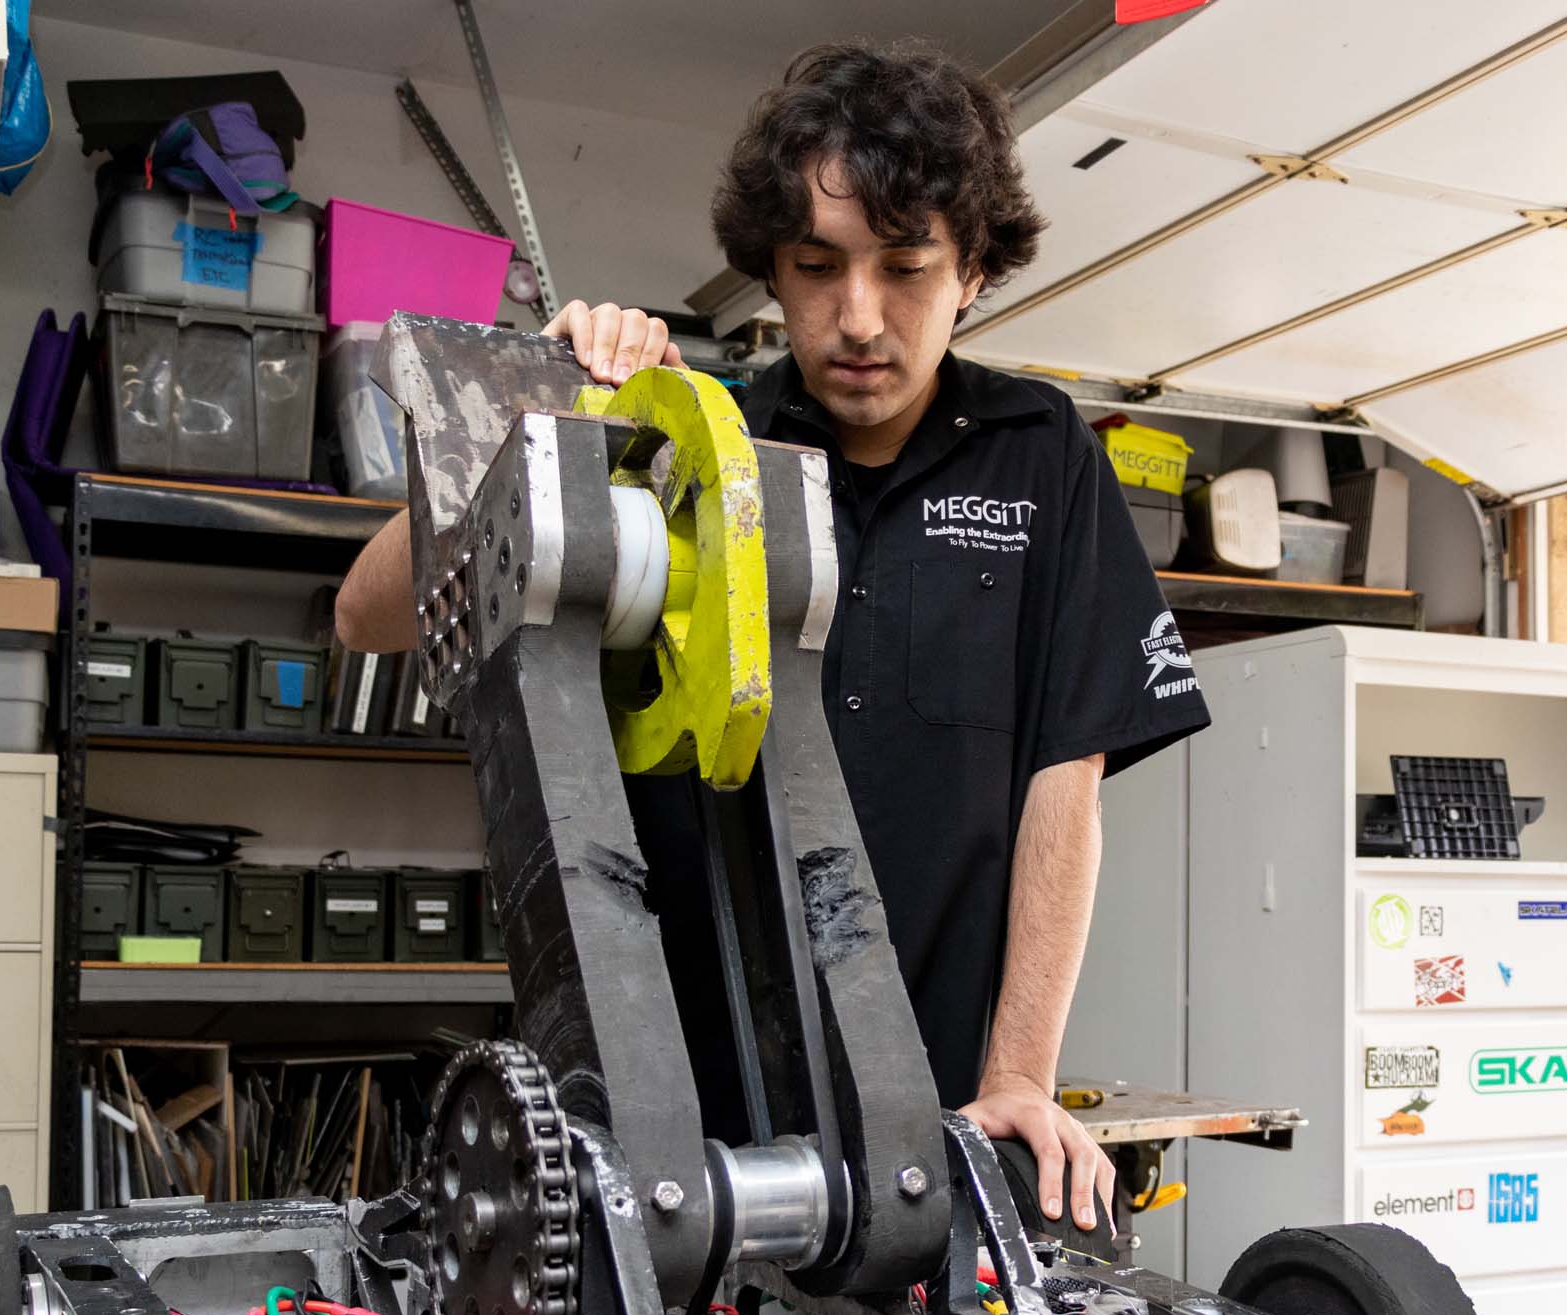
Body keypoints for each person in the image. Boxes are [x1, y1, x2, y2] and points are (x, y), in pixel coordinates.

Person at [337, 41, 1208, 1239]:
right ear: (770, 272)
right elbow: (366, 613)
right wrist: (542, 416)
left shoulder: (1042, 455)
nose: (858, 318)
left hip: (935, 1117)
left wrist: (1016, 1075)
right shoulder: (689, 446)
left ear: (975, 273)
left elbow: (1066, 784)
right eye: (816, 267)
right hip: (673, 1110)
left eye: (906, 268)